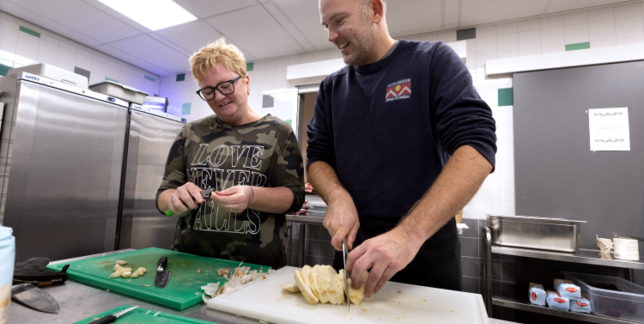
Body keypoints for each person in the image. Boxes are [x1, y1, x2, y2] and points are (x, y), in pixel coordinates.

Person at [307, 0, 497, 297]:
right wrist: (336, 195)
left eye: (339, 21)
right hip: (352, 250)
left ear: (375, 10)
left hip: (424, 248)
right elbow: (318, 158)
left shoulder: (432, 61)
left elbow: (476, 146)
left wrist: (408, 235)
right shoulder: (331, 89)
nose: (331, 35)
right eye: (326, 26)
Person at [156, 38, 305, 269]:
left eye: (225, 85)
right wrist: (174, 201)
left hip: (257, 267)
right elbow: (163, 197)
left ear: (246, 82)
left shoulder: (279, 132)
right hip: (191, 263)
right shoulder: (191, 133)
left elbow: (295, 198)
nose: (218, 97)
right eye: (208, 91)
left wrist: (252, 196)